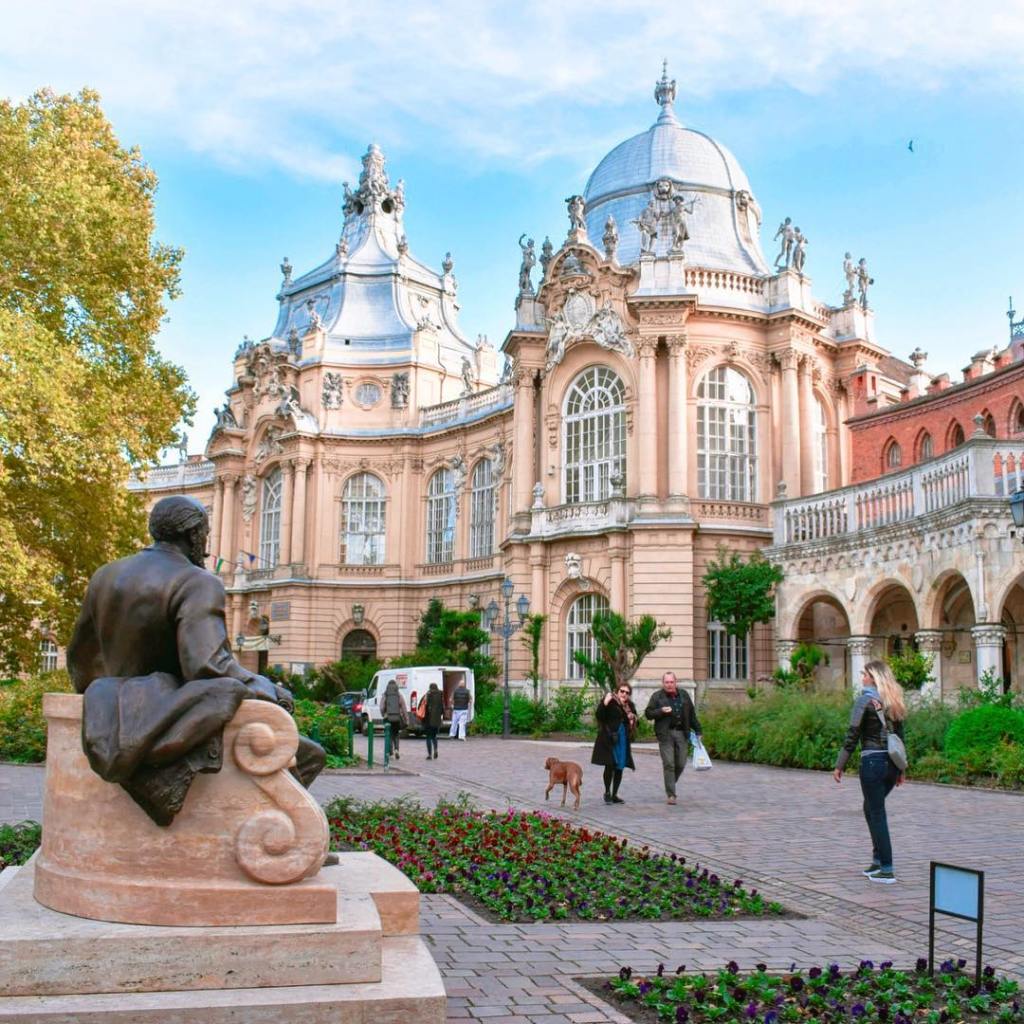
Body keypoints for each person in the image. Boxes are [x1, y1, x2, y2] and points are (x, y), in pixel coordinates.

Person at [66, 494, 324, 826]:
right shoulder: (197, 581)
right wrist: (268, 687)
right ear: (192, 534)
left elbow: (80, 657)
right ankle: (284, 837)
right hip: (171, 711)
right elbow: (207, 667)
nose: (205, 547)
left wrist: (105, 698)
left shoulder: (105, 575)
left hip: (114, 703)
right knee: (309, 755)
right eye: (205, 535)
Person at [833, 660, 907, 884]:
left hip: (873, 762)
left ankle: (887, 869)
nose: (862, 677)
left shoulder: (864, 700)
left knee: (876, 813)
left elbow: (852, 734)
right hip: (892, 765)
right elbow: (901, 737)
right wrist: (902, 769)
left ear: (874, 678)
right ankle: (877, 861)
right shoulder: (893, 701)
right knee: (871, 808)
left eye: (865, 674)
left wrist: (839, 765)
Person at [644, 671, 702, 805]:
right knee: (669, 763)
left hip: (682, 733)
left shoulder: (684, 695)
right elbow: (648, 714)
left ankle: (670, 782)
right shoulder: (657, 696)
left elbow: (692, 715)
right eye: (666, 682)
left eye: (671, 682)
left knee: (681, 763)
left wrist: (698, 730)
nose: (669, 685)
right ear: (663, 683)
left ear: (676, 682)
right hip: (665, 734)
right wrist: (660, 711)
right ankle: (671, 794)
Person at [591, 683, 638, 804]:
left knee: (620, 767)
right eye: (622, 691)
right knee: (610, 765)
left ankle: (615, 794)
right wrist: (604, 703)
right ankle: (607, 792)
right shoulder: (610, 701)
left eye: (627, 693)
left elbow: (636, 722)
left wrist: (633, 718)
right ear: (617, 691)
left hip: (622, 739)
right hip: (609, 738)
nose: (624, 694)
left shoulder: (630, 706)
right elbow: (599, 716)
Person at [382, 679, 408, 760]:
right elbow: (404, 708)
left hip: (388, 717)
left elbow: (382, 707)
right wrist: (406, 719)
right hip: (397, 717)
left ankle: (390, 751)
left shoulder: (385, 695)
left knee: (389, 734)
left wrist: (384, 714)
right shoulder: (399, 695)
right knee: (396, 734)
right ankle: (396, 749)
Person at [423, 682, 444, 760]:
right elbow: (442, 709)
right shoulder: (440, 695)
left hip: (429, 719)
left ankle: (429, 754)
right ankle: (435, 749)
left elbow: (424, 707)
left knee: (428, 737)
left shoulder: (428, 695)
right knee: (434, 736)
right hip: (437, 720)